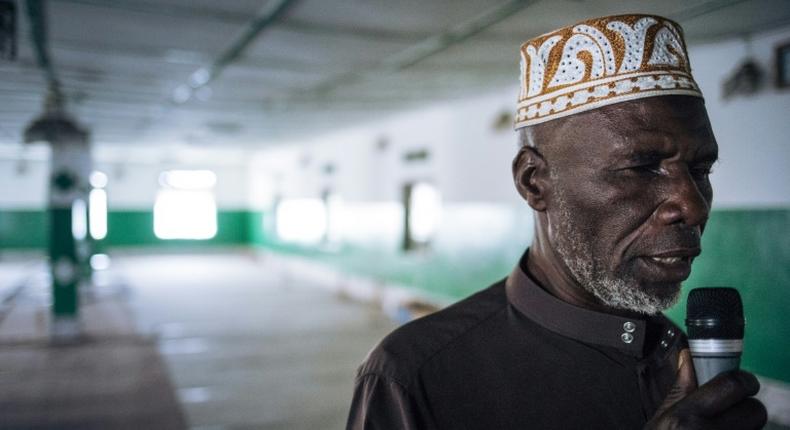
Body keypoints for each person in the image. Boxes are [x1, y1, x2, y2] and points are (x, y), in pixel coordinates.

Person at [346, 14, 767, 429]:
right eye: (642, 167)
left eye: (701, 171)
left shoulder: (676, 353)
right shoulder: (414, 377)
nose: (692, 207)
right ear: (534, 183)